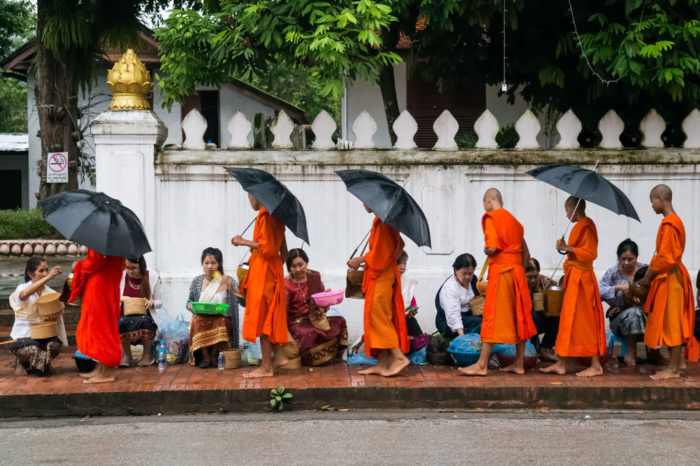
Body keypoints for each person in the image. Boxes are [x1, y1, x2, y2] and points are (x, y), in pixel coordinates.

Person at [460, 188, 536, 376]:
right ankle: (518, 363)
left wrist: (487, 250)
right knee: (520, 317)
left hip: (502, 273)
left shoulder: (491, 217)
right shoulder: (516, 223)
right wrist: (517, 267)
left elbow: (492, 247)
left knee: (491, 317)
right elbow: (526, 253)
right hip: (517, 273)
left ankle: (481, 365)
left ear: (488, 201)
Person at [541, 197, 606, 377]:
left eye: (567, 210)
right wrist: (565, 248)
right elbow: (575, 251)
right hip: (573, 279)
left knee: (586, 323)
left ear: (575, 209)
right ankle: (561, 363)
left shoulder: (587, 225)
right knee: (567, 321)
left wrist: (567, 247)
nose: (566, 214)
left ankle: (596, 365)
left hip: (583, 282)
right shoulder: (579, 226)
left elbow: (590, 254)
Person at [638, 184, 696, 379]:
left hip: (671, 277)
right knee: (672, 321)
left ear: (660, 199)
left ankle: (671, 369)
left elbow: (666, 258)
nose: (652, 206)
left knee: (672, 323)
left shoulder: (670, 223)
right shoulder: (673, 222)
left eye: (652, 201)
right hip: (672, 275)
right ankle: (677, 364)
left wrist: (647, 277)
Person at [347, 204, 409, 377]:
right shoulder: (383, 220)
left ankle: (398, 357)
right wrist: (390, 261)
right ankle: (382, 363)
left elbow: (380, 256)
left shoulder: (383, 222)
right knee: (381, 317)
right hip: (385, 274)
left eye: (366, 201)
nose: (364, 204)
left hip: (381, 277)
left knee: (379, 319)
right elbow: (400, 245)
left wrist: (360, 259)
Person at [232, 194, 288, 378]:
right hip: (274, 272)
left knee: (263, 318)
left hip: (264, 275)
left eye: (249, 196)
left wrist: (243, 242)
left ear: (256, 196)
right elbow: (284, 253)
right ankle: (278, 356)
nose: (250, 201)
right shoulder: (278, 217)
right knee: (271, 317)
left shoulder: (265, 216)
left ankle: (266, 367)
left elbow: (267, 249)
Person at [599, 239, 663, 367]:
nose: (626, 263)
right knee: (633, 313)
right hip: (620, 320)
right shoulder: (612, 272)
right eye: (623, 259)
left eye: (630, 259)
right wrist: (618, 287)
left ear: (636, 257)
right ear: (618, 258)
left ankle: (654, 351)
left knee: (657, 313)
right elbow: (598, 292)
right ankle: (631, 351)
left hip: (645, 315)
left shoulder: (645, 271)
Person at [284, 248, 348, 365]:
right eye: (293, 266)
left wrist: (326, 298)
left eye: (300, 265)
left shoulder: (314, 278)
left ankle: (334, 354)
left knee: (339, 321)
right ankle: (314, 359)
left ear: (306, 263)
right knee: (309, 332)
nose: (298, 269)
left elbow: (322, 309)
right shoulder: (286, 284)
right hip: (296, 322)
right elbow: (283, 312)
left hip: (316, 318)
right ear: (289, 268)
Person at [69, 249, 125, 383]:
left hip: (100, 286)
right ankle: (101, 369)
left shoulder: (100, 243)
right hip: (107, 284)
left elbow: (95, 262)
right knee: (102, 328)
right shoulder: (114, 242)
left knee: (101, 329)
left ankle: (107, 373)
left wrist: (78, 265)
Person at [8, 257, 67, 375]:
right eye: (41, 271)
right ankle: (19, 361)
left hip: (44, 335)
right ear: (30, 274)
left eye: (47, 270)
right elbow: (23, 296)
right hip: (22, 336)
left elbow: (58, 312)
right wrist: (49, 277)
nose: (45, 273)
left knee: (55, 345)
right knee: (34, 349)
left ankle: (44, 364)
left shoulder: (50, 292)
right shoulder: (22, 288)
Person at [186, 247, 239, 368]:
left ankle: (215, 355)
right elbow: (189, 302)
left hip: (222, 318)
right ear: (202, 264)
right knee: (197, 320)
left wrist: (232, 288)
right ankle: (205, 356)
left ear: (219, 264)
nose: (210, 266)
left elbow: (241, 299)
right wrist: (191, 307)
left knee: (220, 321)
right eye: (206, 263)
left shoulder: (227, 280)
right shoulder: (197, 281)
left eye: (213, 263)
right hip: (201, 318)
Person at [118, 256, 162, 367]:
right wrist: (123, 298)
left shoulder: (152, 276)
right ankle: (128, 356)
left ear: (141, 267)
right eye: (127, 267)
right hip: (126, 315)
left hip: (145, 316)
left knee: (145, 321)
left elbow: (160, 302)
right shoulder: (122, 276)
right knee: (121, 322)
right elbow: (115, 297)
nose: (130, 271)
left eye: (133, 268)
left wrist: (151, 303)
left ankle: (146, 355)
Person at [435, 253, 482, 339]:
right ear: (456, 270)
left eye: (470, 273)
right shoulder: (451, 288)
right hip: (447, 321)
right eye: (464, 273)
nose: (467, 277)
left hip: (468, 316)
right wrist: (462, 337)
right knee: (480, 323)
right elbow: (453, 315)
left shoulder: (473, 280)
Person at [525, 258, 559, 362]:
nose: (533, 280)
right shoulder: (517, 284)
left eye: (535, 276)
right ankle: (530, 350)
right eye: (529, 277)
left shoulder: (543, 282)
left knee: (556, 317)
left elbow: (555, 291)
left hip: (541, 319)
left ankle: (546, 349)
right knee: (533, 317)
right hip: (523, 323)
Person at [398, 251, 426, 352]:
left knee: (411, 321)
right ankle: (420, 346)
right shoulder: (389, 281)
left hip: (405, 317)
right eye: (399, 263)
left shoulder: (406, 281)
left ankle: (420, 346)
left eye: (404, 263)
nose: (402, 267)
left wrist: (412, 310)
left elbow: (411, 300)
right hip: (393, 320)